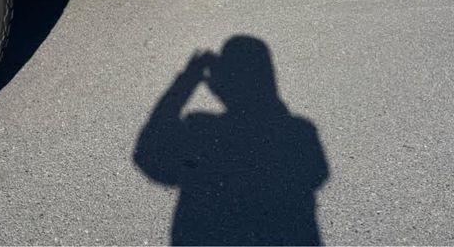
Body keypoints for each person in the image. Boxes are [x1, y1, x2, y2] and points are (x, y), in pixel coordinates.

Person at [134, 36, 329, 245]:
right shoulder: (301, 131)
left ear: (219, 83)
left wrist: (187, 80)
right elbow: (318, 174)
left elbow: (147, 155)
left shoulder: (201, 129)